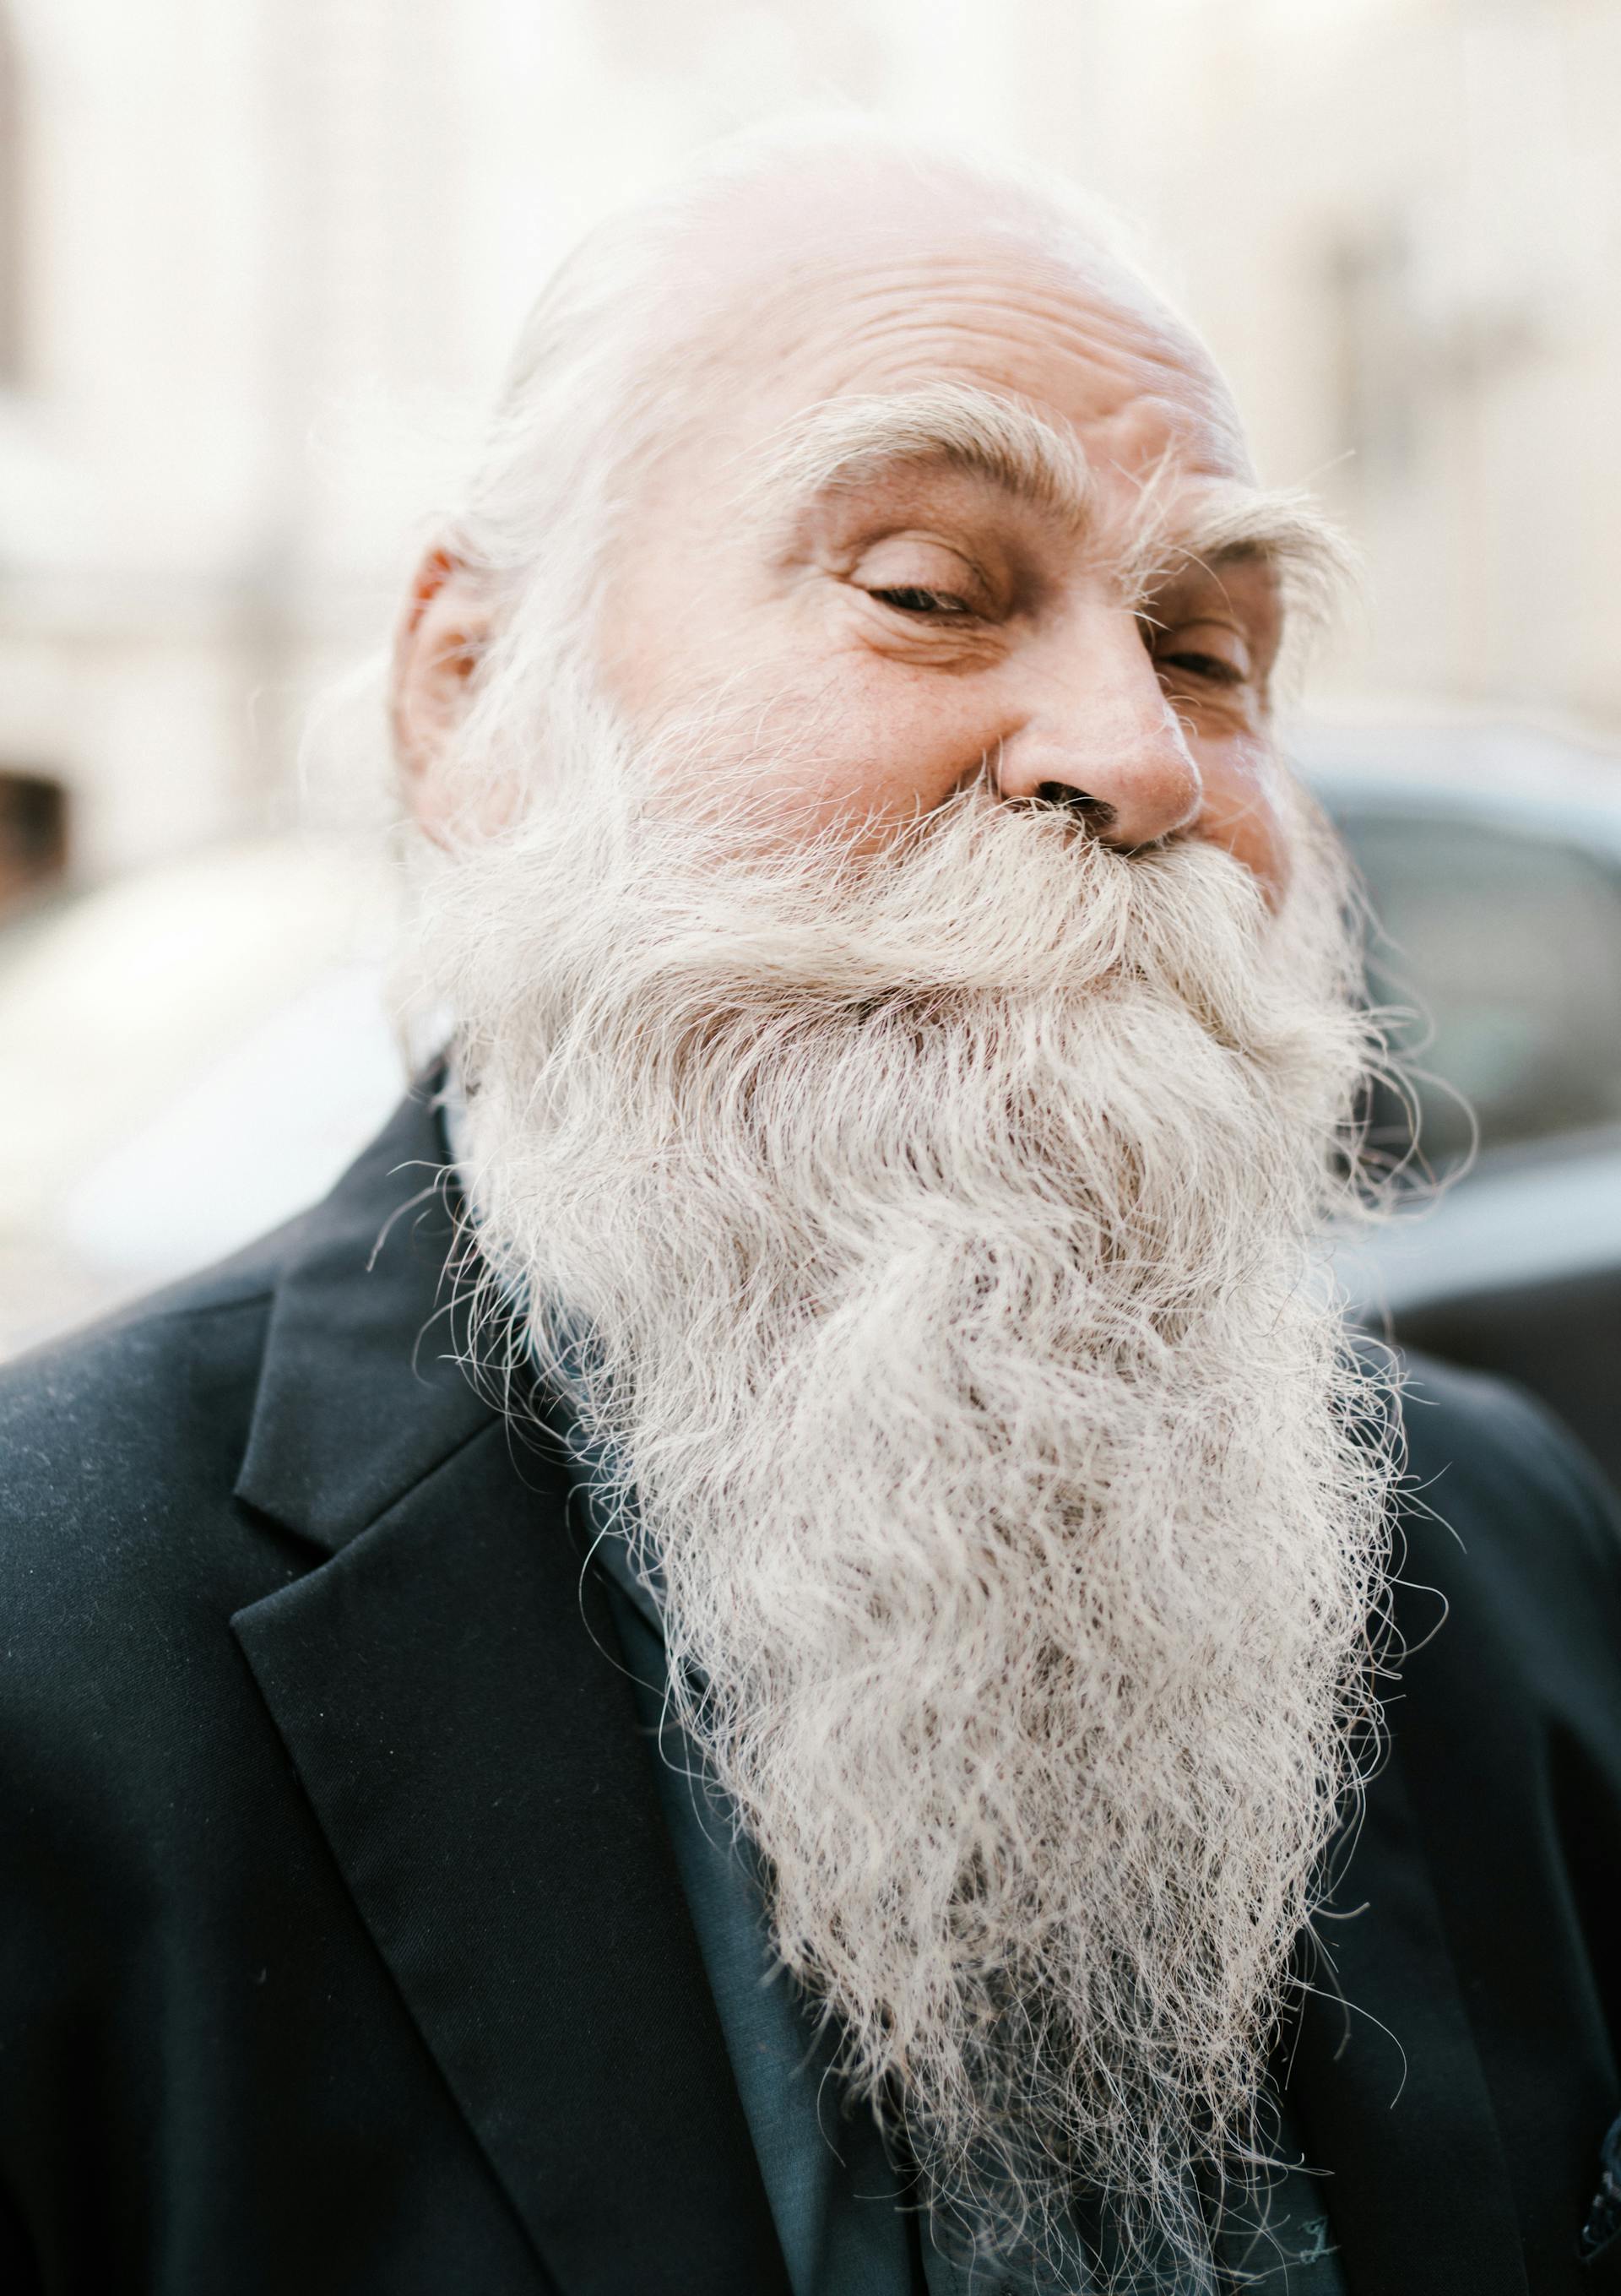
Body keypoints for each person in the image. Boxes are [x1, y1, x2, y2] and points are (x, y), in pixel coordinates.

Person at [1, 117, 1618, 2296]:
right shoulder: (50, 1652)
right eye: (935, 593)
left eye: (1212, 648)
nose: (1139, 759)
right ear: (466, 697)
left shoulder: (1510, 1556)